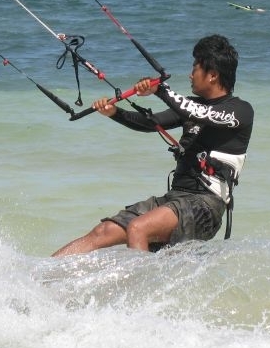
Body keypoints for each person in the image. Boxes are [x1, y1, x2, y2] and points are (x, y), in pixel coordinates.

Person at [52, 34, 254, 256]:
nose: (190, 74)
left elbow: (199, 113)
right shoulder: (191, 105)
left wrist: (160, 90)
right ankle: (36, 278)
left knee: (139, 228)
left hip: (204, 206)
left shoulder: (240, 110)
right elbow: (152, 123)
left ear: (213, 75)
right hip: (175, 199)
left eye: (195, 68)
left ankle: (138, 290)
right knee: (103, 231)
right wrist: (114, 113)